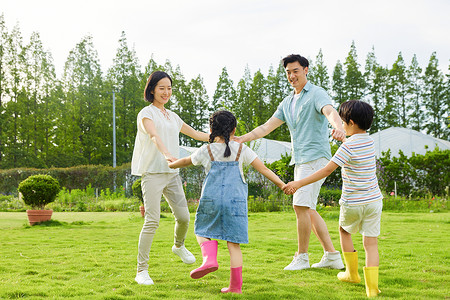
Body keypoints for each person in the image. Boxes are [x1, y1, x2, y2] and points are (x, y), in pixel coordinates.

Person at [234, 54, 345, 270]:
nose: (291, 76)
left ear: (305, 70)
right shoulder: (287, 102)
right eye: (288, 72)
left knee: (300, 205)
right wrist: (241, 138)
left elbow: (329, 110)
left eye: (295, 71)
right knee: (307, 208)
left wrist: (339, 127)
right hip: (301, 160)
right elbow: (266, 127)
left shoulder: (315, 93)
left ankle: (302, 257)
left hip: (316, 156)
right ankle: (332, 256)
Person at [169, 110, 286, 294]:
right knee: (233, 244)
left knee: (202, 230)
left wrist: (172, 164)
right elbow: (262, 168)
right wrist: (282, 184)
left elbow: (186, 161)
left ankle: (209, 260)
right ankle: (235, 287)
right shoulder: (242, 149)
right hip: (235, 202)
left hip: (211, 199)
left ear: (211, 129)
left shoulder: (206, 150)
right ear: (234, 129)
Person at [284, 100, 382, 297]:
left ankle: (351, 274)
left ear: (351, 123)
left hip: (353, 202)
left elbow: (327, 170)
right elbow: (354, 146)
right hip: (374, 201)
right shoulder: (370, 141)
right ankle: (372, 288)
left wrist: (299, 183)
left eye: (343, 122)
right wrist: (344, 140)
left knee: (344, 232)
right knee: (370, 244)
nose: (341, 125)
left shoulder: (346, 148)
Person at [131, 70, 210, 285]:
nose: (166, 92)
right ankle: (142, 271)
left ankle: (178, 245)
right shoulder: (146, 113)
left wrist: (221, 136)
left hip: (172, 174)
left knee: (184, 217)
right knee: (152, 221)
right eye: (161, 88)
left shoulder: (172, 116)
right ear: (152, 90)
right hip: (153, 173)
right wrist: (167, 155)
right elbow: (154, 136)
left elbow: (196, 134)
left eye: (169, 88)